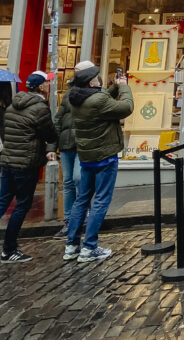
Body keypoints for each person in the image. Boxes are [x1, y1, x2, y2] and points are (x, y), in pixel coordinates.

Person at [65, 62, 133, 263]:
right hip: (105, 157)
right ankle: (89, 247)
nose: (99, 80)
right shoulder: (98, 100)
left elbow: (100, 98)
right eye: (96, 78)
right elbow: (126, 107)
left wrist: (114, 87)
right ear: (91, 83)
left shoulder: (74, 99)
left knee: (82, 200)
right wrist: (124, 87)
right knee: (101, 201)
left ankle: (71, 245)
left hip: (87, 157)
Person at [0, 71, 57, 263]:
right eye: (46, 84)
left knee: (2, 201)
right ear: (41, 87)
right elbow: (50, 134)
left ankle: (9, 249)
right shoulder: (40, 109)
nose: (49, 86)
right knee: (22, 205)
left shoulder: (11, 107)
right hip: (26, 164)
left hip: (8, 162)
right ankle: (9, 249)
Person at [53, 78, 82, 239]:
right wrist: (52, 147)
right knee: (68, 182)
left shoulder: (90, 95)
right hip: (65, 144)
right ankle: (69, 221)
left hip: (82, 144)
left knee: (78, 178)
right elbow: (58, 120)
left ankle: (83, 214)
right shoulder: (67, 96)